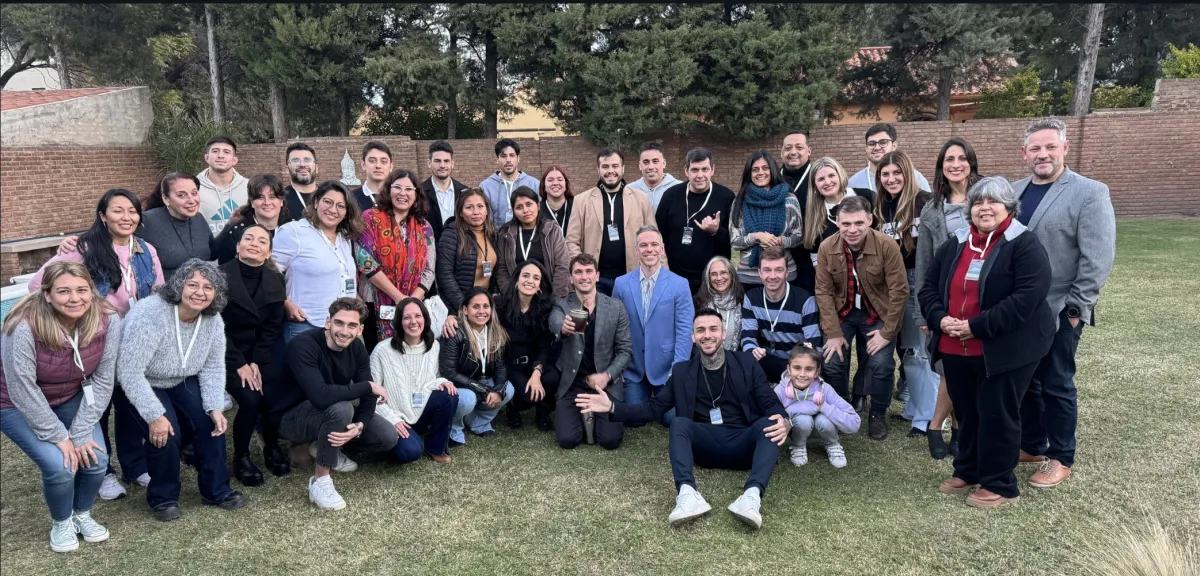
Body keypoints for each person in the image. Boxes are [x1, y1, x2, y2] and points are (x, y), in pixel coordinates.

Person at [574, 310, 791, 530]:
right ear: (693, 337)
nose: (707, 335)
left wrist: (785, 421)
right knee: (679, 423)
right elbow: (653, 409)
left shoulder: (746, 363)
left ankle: (751, 497)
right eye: (701, 330)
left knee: (771, 422)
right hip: (705, 448)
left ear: (724, 334)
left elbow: (768, 400)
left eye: (713, 329)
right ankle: (688, 494)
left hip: (745, 447)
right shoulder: (682, 371)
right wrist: (612, 407)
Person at [919, 176, 1055, 508]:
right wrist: (939, 319)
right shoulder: (957, 243)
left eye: (993, 201)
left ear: (1009, 207)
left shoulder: (1023, 244)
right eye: (978, 202)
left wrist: (977, 326)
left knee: (997, 413)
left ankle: (1000, 484)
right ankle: (967, 470)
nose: (985, 208)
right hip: (956, 347)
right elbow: (928, 288)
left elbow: (1027, 298)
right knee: (966, 413)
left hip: (1003, 350)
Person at [30, 189, 165, 501]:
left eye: (132, 211)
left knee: (130, 404)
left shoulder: (145, 250)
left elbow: (156, 289)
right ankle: (103, 472)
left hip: (133, 342)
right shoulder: (84, 249)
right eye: (117, 211)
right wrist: (79, 311)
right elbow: (41, 283)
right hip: (96, 341)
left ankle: (135, 465)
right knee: (96, 407)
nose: (126, 217)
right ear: (103, 216)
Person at [1015, 118, 1116, 489]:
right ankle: (1031, 444)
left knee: (1057, 382)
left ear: (1064, 148)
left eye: (1050, 147)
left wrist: (1076, 310)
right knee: (1027, 382)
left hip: (1061, 307)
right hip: (1019, 308)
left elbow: (1098, 257)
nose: (1043, 154)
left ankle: (1061, 455)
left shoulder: (1089, 192)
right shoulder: (1014, 191)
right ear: (1024, 153)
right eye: (1036, 148)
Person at [1, 262, 121, 552]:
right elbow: (22, 388)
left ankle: (82, 514)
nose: (74, 298)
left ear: (91, 292)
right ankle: (61, 521)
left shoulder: (108, 318)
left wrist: (79, 433)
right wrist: (60, 436)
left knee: (97, 460)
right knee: (61, 466)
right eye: (64, 291)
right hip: (14, 403)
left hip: (71, 395)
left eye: (82, 290)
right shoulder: (22, 325)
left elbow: (104, 379)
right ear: (47, 295)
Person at [117, 259, 247, 521]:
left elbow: (212, 367)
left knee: (213, 425)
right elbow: (129, 371)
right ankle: (163, 498)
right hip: (139, 381)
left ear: (216, 293)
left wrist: (214, 406)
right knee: (166, 433)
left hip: (181, 379)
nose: (200, 292)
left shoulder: (213, 321)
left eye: (208, 287)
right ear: (178, 286)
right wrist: (155, 415)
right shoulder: (151, 314)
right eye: (193, 284)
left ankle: (216, 490)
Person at [268, 297, 397, 511]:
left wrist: (360, 426)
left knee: (386, 436)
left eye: (352, 325)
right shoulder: (303, 346)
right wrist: (367, 386)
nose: (344, 331)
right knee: (341, 407)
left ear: (360, 329)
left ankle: (323, 445)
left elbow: (367, 398)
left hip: (330, 413)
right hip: (289, 419)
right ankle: (320, 481)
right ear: (328, 322)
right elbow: (321, 396)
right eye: (339, 323)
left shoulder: (356, 348)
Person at [814, 195, 909, 440]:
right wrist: (833, 333)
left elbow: (899, 291)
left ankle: (877, 413)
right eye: (846, 224)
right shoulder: (827, 248)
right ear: (837, 222)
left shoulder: (887, 245)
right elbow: (823, 291)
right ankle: (842, 408)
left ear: (869, 220)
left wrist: (887, 333)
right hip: (842, 312)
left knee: (881, 364)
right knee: (833, 361)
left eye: (858, 223)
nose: (852, 230)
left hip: (877, 312)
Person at [916, 137, 982, 459]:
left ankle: (955, 428)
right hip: (947, 299)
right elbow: (924, 264)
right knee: (950, 366)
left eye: (961, 158)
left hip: (983, 297)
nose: (956, 164)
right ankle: (943, 426)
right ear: (941, 168)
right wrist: (924, 314)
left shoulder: (988, 197)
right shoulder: (931, 209)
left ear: (971, 161)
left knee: (969, 365)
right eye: (948, 160)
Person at [871, 150, 940, 440]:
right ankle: (914, 408)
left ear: (908, 173)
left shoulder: (925, 202)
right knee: (906, 350)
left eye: (897, 173)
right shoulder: (879, 205)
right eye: (885, 174)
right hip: (887, 285)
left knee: (917, 351)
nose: (891, 179)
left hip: (916, 281)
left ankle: (927, 417)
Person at [219, 225, 290, 486]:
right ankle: (241, 457)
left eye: (262, 241)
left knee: (270, 396)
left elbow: (272, 327)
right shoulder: (218, 276)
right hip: (226, 354)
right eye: (248, 238)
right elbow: (215, 328)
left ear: (268, 251)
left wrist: (257, 362)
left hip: (260, 354)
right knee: (249, 400)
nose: (254, 243)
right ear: (238, 246)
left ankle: (271, 445)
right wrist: (240, 364)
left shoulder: (276, 280)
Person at [548, 254, 632, 450]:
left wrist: (607, 375)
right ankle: (585, 413)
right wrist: (563, 327)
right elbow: (554, 321)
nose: (584, 276)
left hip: (605, 385)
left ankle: (594, 414)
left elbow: (625, 350)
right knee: (568, 440)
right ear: (571, 278)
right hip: (573, 383)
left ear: (597, 276)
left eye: (588, 271)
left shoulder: (616, 307)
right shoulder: (561, 304)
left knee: (610, 441)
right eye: (578, 272)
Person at [612, 226, 694, 417]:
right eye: (643, 245)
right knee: (634, 416)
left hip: (666, 369)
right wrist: (620, 368)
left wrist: (677, 371)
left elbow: (684, 331)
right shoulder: (621, 284)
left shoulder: (679, 284)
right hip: (634, 368)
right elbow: (616, 328)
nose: (649, 249)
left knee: (669, 418)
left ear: (662, 249)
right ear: (636, 250)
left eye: (654, 244)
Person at [273, 180, 365, 344]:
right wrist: (286, 304)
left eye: (340, 206)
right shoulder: (293, 231)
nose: (333, 210)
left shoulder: (344, 238)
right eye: (328, 202)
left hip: (343, 327)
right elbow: (269, 273)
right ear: (316, 202)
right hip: (307, 323)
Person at [370, 298, 458, 464]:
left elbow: (434, 376)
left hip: (421, 409)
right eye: (406, 317)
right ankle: (398, 441)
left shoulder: (434, 346)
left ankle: (436, 447)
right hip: (394, 415)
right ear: (398, 322)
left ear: (425, 319)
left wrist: (442, 381)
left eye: (418, 316)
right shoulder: (382, 350)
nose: (413, 322)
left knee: (449, 394)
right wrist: (392, 419)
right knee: (410, 453)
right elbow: (371, 394)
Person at [357, 169, 436, 347]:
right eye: (397, 187)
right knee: (377, 355)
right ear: (388, 190)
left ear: (416, 194)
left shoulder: (424, 227)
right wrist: (399, 297)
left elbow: (430, 269)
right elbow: (365, 262)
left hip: (413, 306)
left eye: (409, 189)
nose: (403, 193)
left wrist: (412, 301)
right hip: (374, 302)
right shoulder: (369, 218)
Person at [566, 148, 659, 296]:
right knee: (598, 319)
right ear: (598, 170)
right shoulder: (581, 200)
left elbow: (655, 239)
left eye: (615, 166)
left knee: (630, 319)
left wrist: (661, 273)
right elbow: (571, 241)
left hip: (631, 277)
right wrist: (583, 268)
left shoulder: (641, 199)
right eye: (605, 166)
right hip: (595, 280)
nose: (610, 171)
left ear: (622, 168)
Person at [438, 288, 514, 445]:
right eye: (476, 306)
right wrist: (480, 388)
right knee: (467, 399)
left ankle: (478, 421)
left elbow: (500, 366)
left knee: (508, 389)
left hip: (481, 382)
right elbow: (448, 372)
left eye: (486, 306)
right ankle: (454, 429)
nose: (482, 311)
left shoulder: (496, 332)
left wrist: (498, 390)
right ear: (465, 310)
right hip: (457, 385)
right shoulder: (454, 331)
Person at [655, 147, 734, 294]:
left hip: (712, 278)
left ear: (713, 169)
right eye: (695, 170)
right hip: (675, 276)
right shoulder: (671, 195)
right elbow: (659, 234)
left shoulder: (726, 197)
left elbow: (734, 240)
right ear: (686, 170)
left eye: (705, 169)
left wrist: (716, 231)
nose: (700, 175)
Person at [739, 246, 823, 383]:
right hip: (769, 360)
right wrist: (753, 350)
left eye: (778, 270)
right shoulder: (751, 298)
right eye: (767, 270)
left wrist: (798, 367)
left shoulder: (805, 300)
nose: (772, 276)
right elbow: (748, 337)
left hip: (798, 363)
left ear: (786, 273)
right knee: (746, 362)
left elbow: (815, 346)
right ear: (760, 273)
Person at [796, 157, 876, 292]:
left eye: (831, 175)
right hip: (839, 286)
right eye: (821, 179)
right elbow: (816, 256)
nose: (827, 182)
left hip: (873, 279)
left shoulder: (866, 196)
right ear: (814, 184)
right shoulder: (812, 214)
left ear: (840, 175)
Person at [773, 344, 859, 468]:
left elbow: (854, 423)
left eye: (809, 369)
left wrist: (824, 407)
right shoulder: (780, 390)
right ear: (789, 368)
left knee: (824, 420)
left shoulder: (826, 389)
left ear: (816, 372)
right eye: (797, 368)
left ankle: (832, 444)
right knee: (803, 420)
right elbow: (772, 419)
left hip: (822, 428)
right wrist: (805, 407)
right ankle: (798, 445)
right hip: (797, 428)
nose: (802, 374)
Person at [729, 151, 803, 288]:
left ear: (773, 170)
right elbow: (734, 242)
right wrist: (757, 237)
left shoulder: (789, 200)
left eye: (765, 168)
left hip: (783, 274)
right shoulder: (740, 201)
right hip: (749, 277)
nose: (760, 173)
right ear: (749, 174)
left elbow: (798, 237)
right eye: (755, 169)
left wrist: (780, 241)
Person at [497, 261, 556, 432]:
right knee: (527, 395)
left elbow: (544, 346)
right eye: (526, 275)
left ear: (539, 286)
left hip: (535, 362)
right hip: (512, 365)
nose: (530, 280)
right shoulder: (501, 306)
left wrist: (537, 372)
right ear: (516, 280)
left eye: (536, 278)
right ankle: (514, 406)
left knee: (553, 379)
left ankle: (543, 408)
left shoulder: (545, 309)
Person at [436, 188, 498, 333]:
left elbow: (496, 271)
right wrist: (465, 307)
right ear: (461, 212)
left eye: (480, 206)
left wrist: (493, 297)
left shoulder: (492, 233)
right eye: (469, 207)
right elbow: (444, 275)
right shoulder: (452, 234)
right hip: (461, 308)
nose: (476, 212)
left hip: (485, 308)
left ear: (487, 210)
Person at [494, 186, 571, 299]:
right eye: (519, 207)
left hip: (548, 297)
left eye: (529, 204)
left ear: (538, 206)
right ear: (514, 211)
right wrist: (512, 297)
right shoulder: (505, 233)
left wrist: (555, 300)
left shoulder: (552, 230)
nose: (525, 210)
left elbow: (562, 265)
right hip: (516, 298)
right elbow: (502, 269)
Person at [139, 172, 214, 280]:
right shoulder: (147, 220)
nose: (191, 201)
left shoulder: (198, 218)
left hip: (199, 292)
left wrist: (230, 226)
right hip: (163, 293)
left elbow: (214, 252)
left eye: (194, 193)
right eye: (181, 195)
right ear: (166, 199)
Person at [211, 174, 292, 264]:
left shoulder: (291, 229)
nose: (267, 202)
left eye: (272, 197)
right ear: (252, 202)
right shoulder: (236, 232)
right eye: (260, 197)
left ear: (281, 201)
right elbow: (226, 270)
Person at [847, 123, 932, 193]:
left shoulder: (915, 178)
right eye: (871, 143)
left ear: (894, 145)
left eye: (883, 142)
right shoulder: (853, 183)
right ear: (866, 149)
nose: (876, 148)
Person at [479, 138, 541, 227]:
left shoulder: (534, 184)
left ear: (518, 158)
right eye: (503, 156)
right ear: (497, 159)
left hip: (528, 237)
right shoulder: (485, 187)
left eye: (512, 155)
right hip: (497, 238)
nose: (508, 160)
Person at [197, 136, 249, 235]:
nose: (221, 155)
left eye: (226, 152)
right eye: (215, 151)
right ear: (206, 158)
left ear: (234, 160)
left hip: (242, 248)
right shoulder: (194, 188)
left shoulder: (249, 187)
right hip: (207, 249)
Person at [420, 140, 469, 242]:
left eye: (446, 161)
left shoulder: (464, 192)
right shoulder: (419, 193)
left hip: (459, 251)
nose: (442, 165)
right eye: (437, 161)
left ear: (452, 164)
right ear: (429, 163)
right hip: (430, 252)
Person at [694, 256, 744, 351]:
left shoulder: (742, 300)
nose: (719, 278)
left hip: (735, 358)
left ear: (731, 275)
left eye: (723, 272)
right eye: (713, 274)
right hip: (704, 359)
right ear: (708, 278)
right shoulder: (698, 303)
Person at [628, 141, 682, 212]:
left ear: (664, 163)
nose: (651, 167)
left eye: (655, 161)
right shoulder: (630, 190)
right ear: (640, 165)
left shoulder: (680, 189)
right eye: (646, 162)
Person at [349, 141, 393, 212]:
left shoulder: (398, 197)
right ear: (363, 164)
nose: (378, 166)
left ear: (391, 166)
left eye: (383, 162)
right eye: (372, 161)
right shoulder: (350, 198)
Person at [282, 143, 320, 222]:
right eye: (295, 161)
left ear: (316, 168)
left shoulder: (327, 196)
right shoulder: (280, 199)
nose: (302, 164)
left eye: (307, 160)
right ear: (286, 169)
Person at [539, 166, 575, 237]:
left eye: (560, 179)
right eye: (550, 180)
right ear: (544, 186)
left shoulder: (577, 206)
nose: (555, 183)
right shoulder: (537, 210)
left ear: (566, 185)